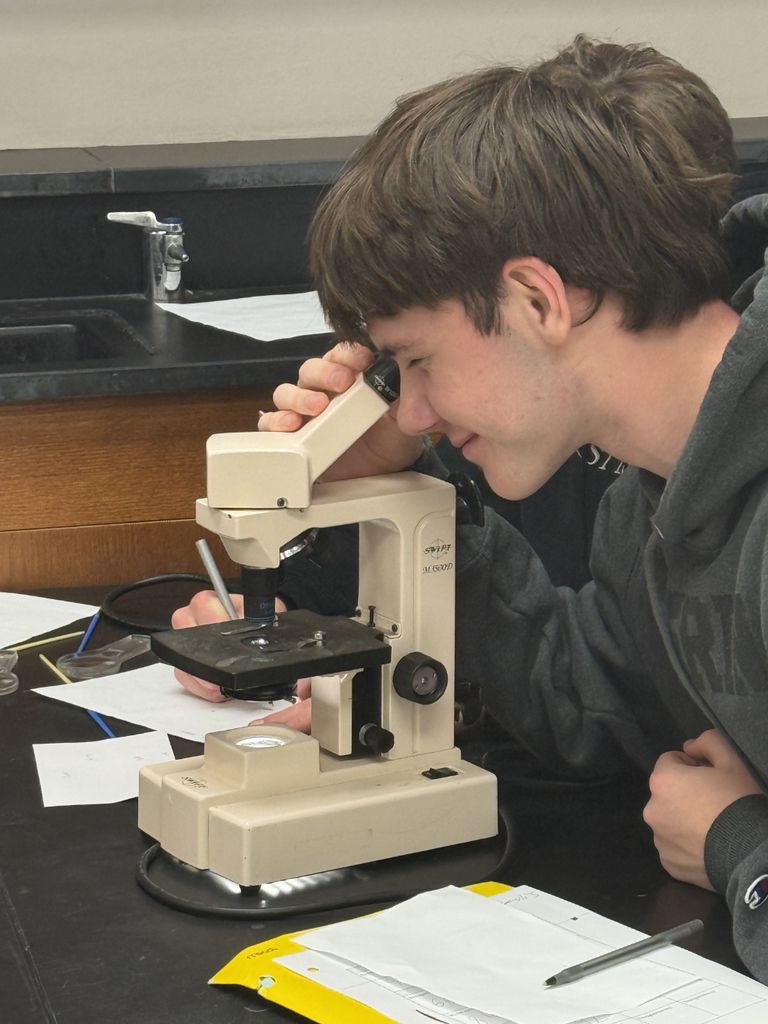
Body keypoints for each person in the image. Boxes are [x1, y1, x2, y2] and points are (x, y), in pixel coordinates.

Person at [173, 37, 768, 980]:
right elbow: (590, 701)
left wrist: (740, 847)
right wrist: (392, 489)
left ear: (536, 298)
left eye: (418, 361)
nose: (412, 413)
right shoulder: (655, 498)